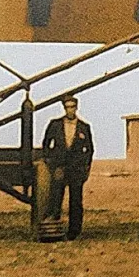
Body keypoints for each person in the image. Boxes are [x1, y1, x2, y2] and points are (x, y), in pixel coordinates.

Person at [41, 96, 94, 240]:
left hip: (76, 170)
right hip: (59, 168)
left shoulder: (84, 127)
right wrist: (52, 164)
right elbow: (46, 145)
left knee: (75, 201)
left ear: (76, 108)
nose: (70, 110)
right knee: (56, 198)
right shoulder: (55, 125)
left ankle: (74, 232)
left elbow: (89, 150)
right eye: (67, 107)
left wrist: (85, 169)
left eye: (72, 107)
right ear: (64, 108)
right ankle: (53, 230)